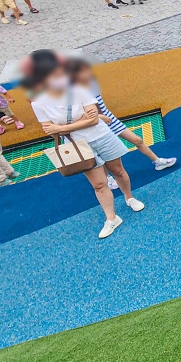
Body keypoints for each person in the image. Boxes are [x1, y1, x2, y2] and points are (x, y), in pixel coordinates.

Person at [25, 50, 144, 239]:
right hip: (79, 145)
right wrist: (78, 121)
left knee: (119, 171)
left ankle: (129, 197)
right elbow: (49, 129)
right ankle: (111, 218)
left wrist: (63, 127)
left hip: (102, 136)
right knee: (98, 183)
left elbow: (94, 120)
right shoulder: (38, 102)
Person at [65, 57, 177, 178]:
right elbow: (82, 112)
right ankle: (107, 178)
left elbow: (98, 104)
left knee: (137, 140)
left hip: (107, 117)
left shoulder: (91, 82)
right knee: (100, 154)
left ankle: (157, 161)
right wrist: (101, 117)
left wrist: (103, 116)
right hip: (95, 123)